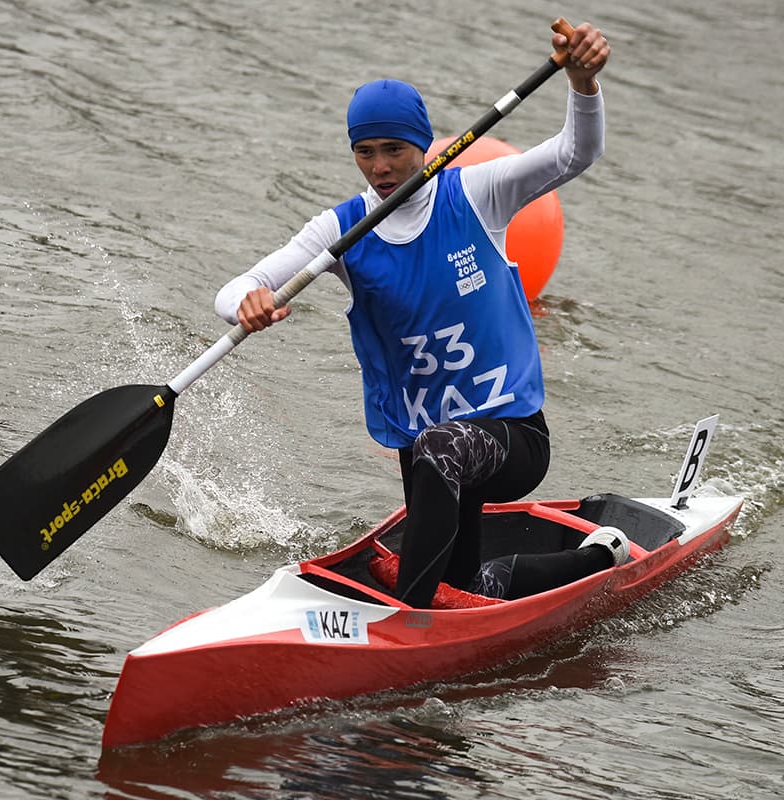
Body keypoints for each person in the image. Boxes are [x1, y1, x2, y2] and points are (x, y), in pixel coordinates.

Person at [215, 22, 627, 608]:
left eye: (394, 151)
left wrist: (583, 83)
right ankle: (598, 556)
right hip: (429, 450)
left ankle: (405, 626)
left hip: (512, 435)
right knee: (461, 583)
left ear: (424, 144)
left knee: (439, 452)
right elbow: (238, 288)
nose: (380, 168)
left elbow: (574, 151)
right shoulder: (341, 230)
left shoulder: (479, 193)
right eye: (365, 152)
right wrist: (247, 303)